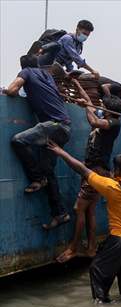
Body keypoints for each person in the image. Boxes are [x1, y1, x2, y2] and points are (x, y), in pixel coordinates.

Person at [47, 115, 121, 303]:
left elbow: (82, 169)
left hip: (119, 240)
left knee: (98, 272)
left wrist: (60, 152)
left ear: (117, 171)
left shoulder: (112, 187)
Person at [57, 81, 121, 263]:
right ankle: (91, 248)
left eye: (104, 106)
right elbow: (89, 103)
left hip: (96, 171)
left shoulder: (114, 122)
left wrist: (86, 107)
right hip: (93, 170)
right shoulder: (106, 117)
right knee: (90, 210)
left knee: (79, 209)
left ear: (110, 109)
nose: (100, 107)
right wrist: (77, 84)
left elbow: (93, 120)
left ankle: (73, 247)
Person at [6, 54, 72, 230]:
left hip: (53, 125)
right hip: (64, 128)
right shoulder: (47, 75)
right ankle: (60, 213)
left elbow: (13, 90)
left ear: (23, 66)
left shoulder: (26, 72)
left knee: (17, 141)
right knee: (48, 171)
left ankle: (36, 178)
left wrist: (5, 90)